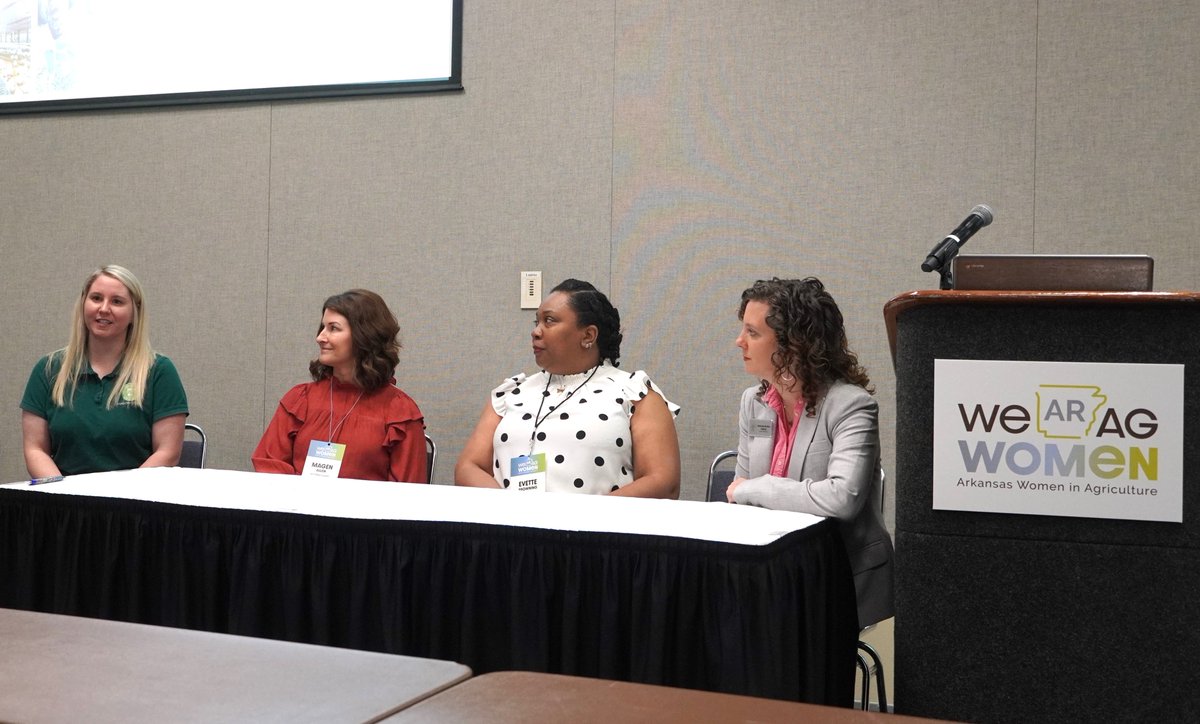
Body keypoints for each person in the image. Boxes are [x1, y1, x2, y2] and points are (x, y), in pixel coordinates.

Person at [727, 277, 894, 628]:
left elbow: (840, 499)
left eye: (753, 333)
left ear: (794, 344)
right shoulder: (752, 402)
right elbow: (739, 499)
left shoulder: (852, 405)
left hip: (843, 579)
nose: (739, 341)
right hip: (775, 573)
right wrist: (746, 491)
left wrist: (757, 487)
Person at [455, 279, 680, 496]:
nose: (536, 331)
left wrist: (580, 519)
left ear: (588, 335)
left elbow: (663, 481)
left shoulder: (634, 393)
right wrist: (512, 512)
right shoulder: (512, 393)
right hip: (509, 529)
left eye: (549, 321)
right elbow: (468, 467)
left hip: (596, 532)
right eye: (537, 322)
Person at [21, 265, 189, 476]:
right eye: (96, 298)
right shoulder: (48, 369)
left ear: (134, 314)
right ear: (83, 304)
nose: (104, 308)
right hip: (64, 501)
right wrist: (64, 498)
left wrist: (117, 500)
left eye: (117, 301)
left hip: (133, 501)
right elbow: (35, 450)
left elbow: (168, 452)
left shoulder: (159, 372)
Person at [252, 289, 427, 482]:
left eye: (333, 328)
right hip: (297, 508)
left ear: (364, 336)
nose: (320, 337)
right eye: (322, 327)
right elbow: (269, 465)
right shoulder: (300, 399)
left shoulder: (400, 412)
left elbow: (408, 493)